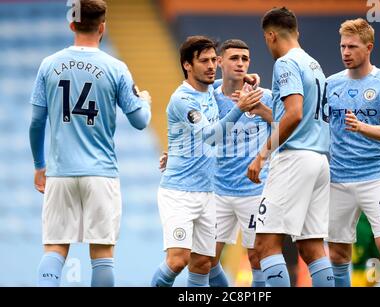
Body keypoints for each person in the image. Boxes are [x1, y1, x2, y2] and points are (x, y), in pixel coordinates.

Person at [29, 0, 151, 287]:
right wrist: (144, 100)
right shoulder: (115, 68)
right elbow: (140, 121)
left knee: (55, 248)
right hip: (101, 173)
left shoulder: (49, 65)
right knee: (102, 252)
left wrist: (38, 165)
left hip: (60, 173)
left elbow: (35, 122)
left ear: (71, 24)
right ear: (102, 27)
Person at [151, 36, 263, 287]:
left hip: (208, 193)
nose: (211, 65)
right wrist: (240, 107)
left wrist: (248, 77)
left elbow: (228, 85)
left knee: (204, 263)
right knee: (178, 260)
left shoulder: (211, 92)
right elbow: (210, 136)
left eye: (214, 60)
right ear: (187, 65)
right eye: (204, 61)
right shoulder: (183, 99)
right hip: (179, 192)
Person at [246, 7, 334, 287]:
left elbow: (294, 114)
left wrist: (262, 154)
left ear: (271, 35)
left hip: (295, 160)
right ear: (296, 31)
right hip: (319, 161)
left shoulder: (285, 63)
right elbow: (303, 115)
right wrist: (266, 110)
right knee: (312, 247)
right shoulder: (314, 65)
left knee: (265, 246)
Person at [326, 18, 380, 287]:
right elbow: (301, 118)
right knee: (338, 254)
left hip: (377, 177)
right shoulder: (330, 85)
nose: (345, 53)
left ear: (369, 47)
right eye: (342, 46)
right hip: (338, 179)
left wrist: (361, 126)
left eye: (352, 46)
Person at [207, 39, 273, 287]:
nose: (240, 63)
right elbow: (201, 135)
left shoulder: (263, 95)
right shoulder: (208, 98)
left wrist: (261, 110)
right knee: (207, 259)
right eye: (234, 58)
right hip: (218, 190)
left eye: (245, 59)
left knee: (257, 258)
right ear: (220, 61)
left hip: (254, 190)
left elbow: (288, 123)